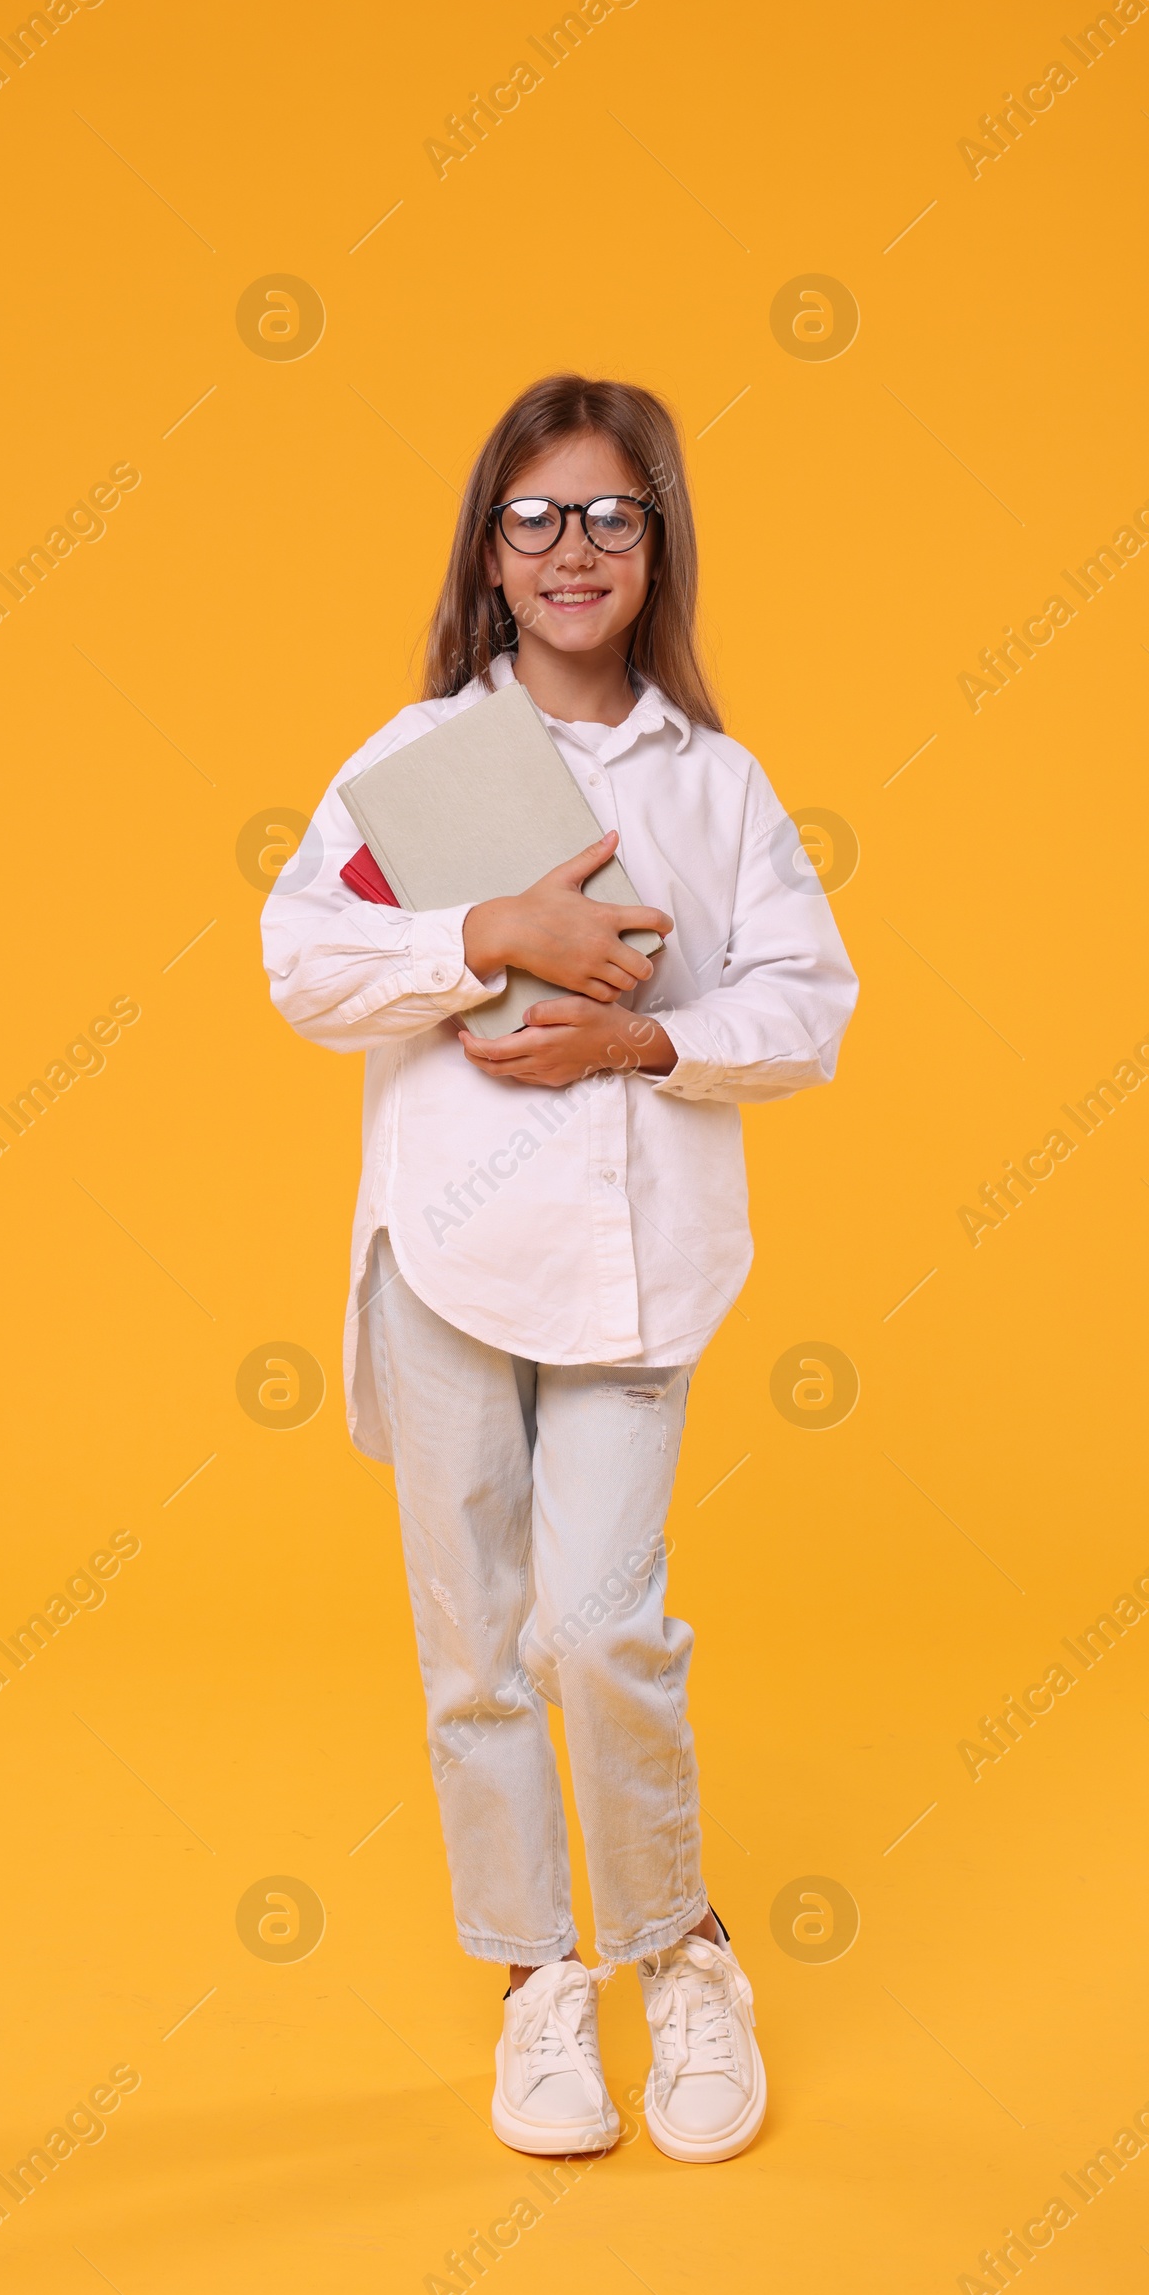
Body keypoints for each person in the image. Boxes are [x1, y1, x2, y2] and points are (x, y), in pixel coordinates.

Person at [262, 373, 857, 2164]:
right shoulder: (412, 762)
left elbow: (807, 1006)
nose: (573, 548)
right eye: (537, 519)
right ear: (491, 552)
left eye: (610, 514)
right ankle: (537, 1981)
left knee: (599, 1623)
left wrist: (636, 1047)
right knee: (476, 1646)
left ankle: (675, 1947)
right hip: (445, 1258)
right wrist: (486, 937)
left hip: (638, 1272)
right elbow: (300, 958)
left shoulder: (719, 782)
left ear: (655, 542)